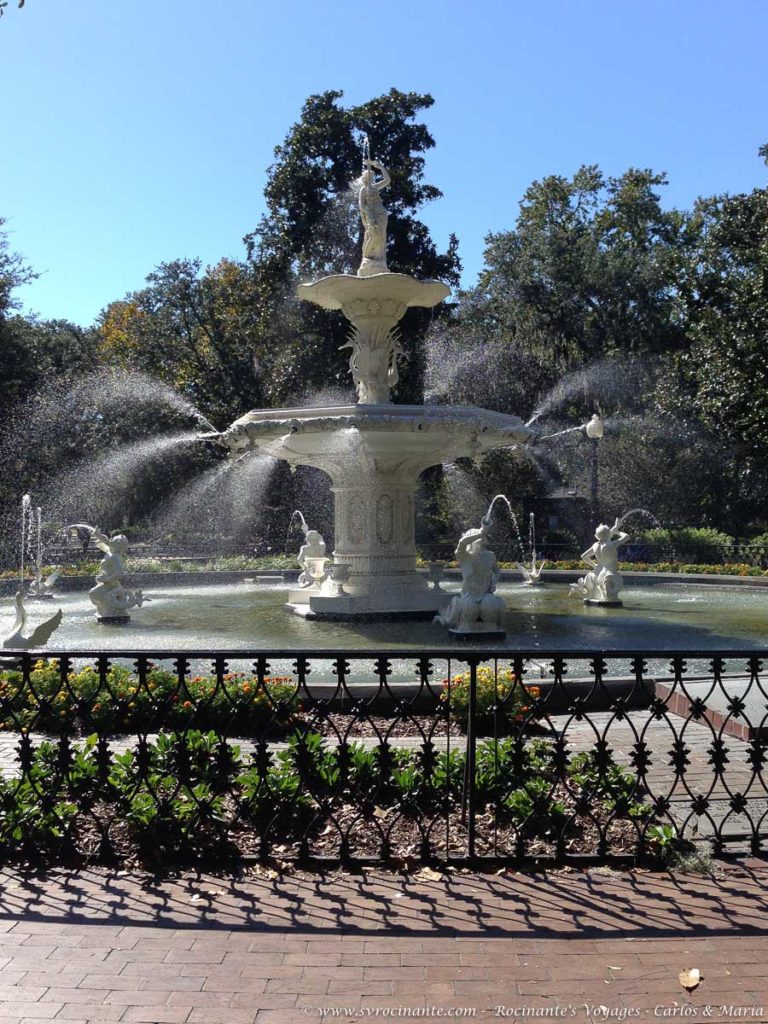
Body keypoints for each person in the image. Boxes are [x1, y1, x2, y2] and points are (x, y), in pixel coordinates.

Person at [435, 523, 506, 630]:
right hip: (469, 595)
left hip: (486, 594)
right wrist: (481, 532)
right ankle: (454, 620)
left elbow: (497, 571)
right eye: (478, 538)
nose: (481, 541)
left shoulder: (490, 556)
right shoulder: (464, 556)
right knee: (469, 608)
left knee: (490, 606)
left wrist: (494, 583)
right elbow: (462, 542)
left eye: (482, 537)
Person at [580, 519, 629, 603]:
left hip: (597, 572)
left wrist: (594, 565)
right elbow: (627, 537)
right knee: (610, 598)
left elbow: (583, 556)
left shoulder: (595, 545)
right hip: (610, 573)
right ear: (608, 534)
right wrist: (617, 531)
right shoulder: (612, 544)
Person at [357, 158, 391, 275]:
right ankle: (367, 258)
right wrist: (369, 215)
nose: (371, 179)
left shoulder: (375, 188)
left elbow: (387, 180)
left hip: (381, 214)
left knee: (381, 237)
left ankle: (379, 259)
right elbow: (361, 205)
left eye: (372, 177)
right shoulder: (363, 190)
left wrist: (380, 167)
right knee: (372, 236)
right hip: (371, 215)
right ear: (365, 178)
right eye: (369, 177)